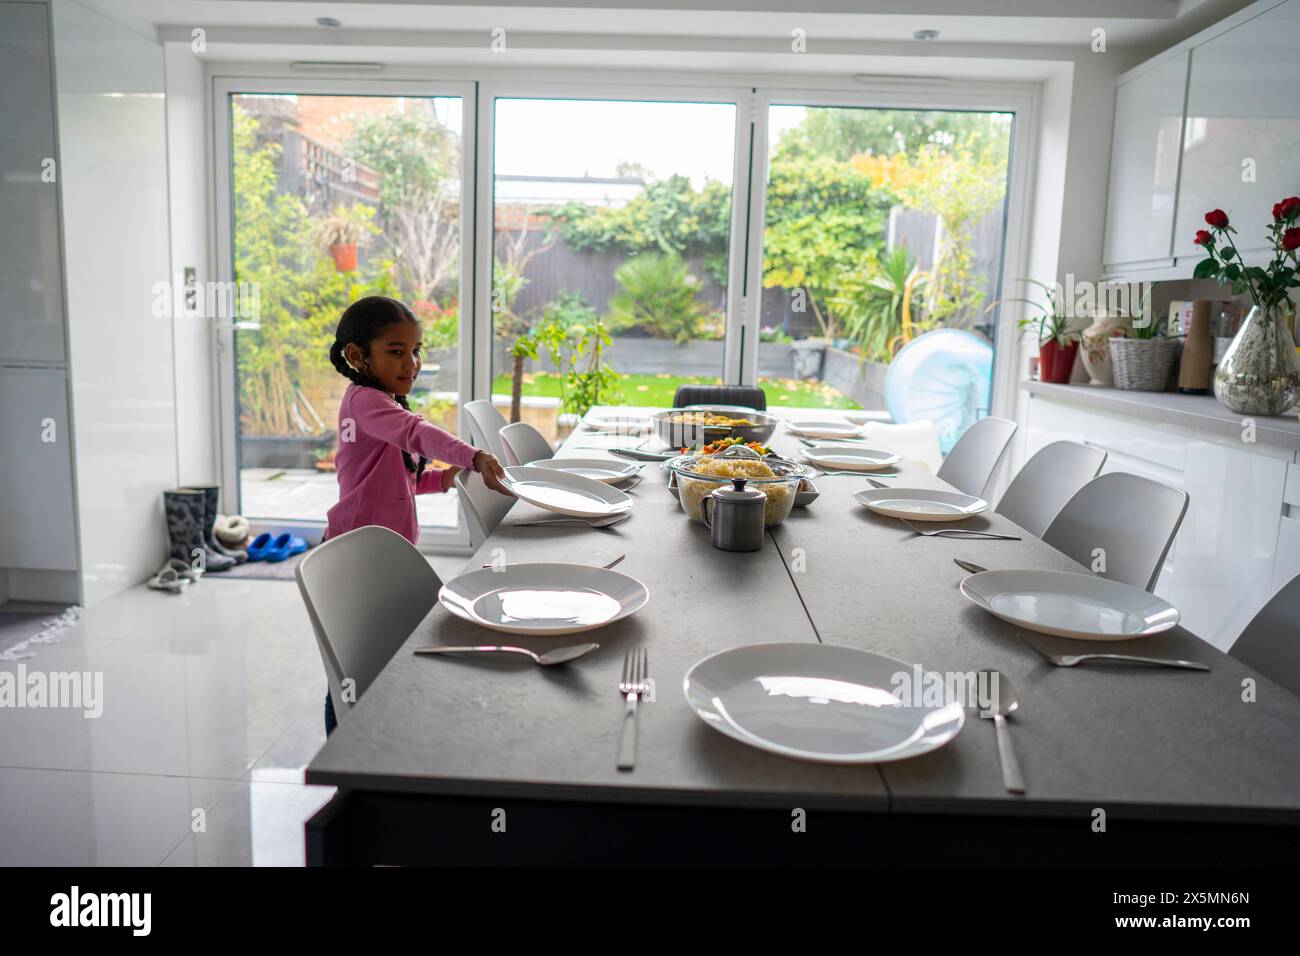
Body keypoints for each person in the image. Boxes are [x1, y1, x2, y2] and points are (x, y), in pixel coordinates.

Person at [321, 295, 511, 734]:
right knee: (354, 667)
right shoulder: (365, 401)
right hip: (357, 556)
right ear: (357, 356)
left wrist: (441, 480)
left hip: (382, 555)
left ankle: (381, 734)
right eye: (396, 351)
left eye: (416, 350)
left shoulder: (381, 402)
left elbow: (396, 480)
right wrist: (473, 455)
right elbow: (415, 434)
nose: (412, 362)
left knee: (378, 655)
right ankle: (343, 748)